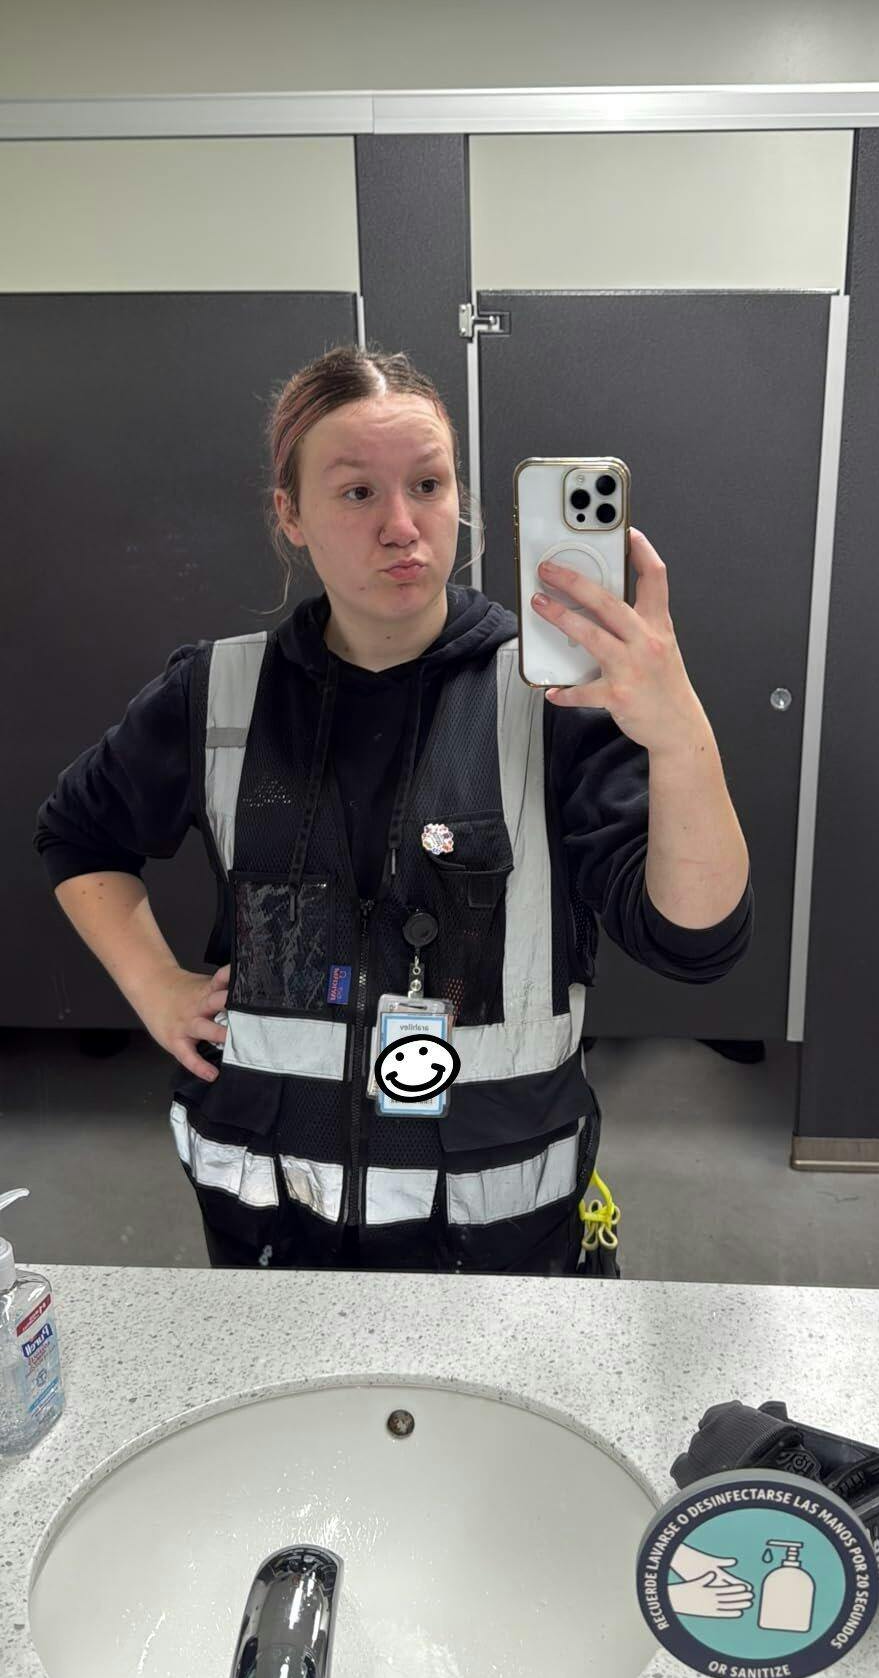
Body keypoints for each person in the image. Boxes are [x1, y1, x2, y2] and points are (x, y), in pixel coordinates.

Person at [34, 345, 753, 1275]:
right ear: (290, 515)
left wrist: (680, 734)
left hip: (500, 1252)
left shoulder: (554, 701)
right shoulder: (216, 693)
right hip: (273, 1239)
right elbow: (78, 833)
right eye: (357, 492)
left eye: (428, 484)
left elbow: (695, 941)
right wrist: (154, 986)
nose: (402, 526)